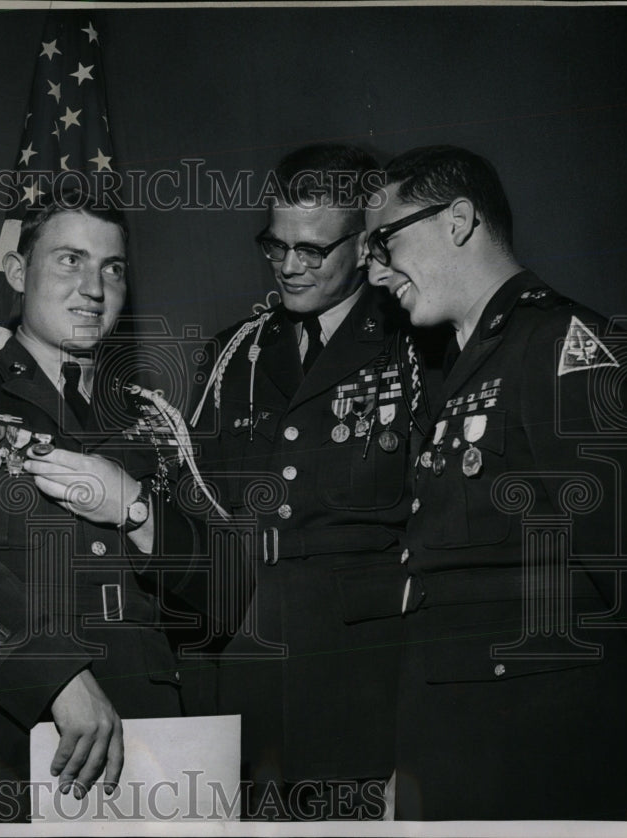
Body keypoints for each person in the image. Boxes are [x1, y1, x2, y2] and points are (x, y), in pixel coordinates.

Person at [0, 191, 202, 822]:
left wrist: (136, 509)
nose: (94, 287)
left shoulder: (154, 420)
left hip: (147, 748)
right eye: (70, 260)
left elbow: (218, 588)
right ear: (19, 272)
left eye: (112, 267)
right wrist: (52, 674)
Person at [365, 144, 627, 820]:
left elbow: (626, 561)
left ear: (457, 220)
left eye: (384, 241)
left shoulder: (557, 345)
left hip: (541, 755)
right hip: (458, 744)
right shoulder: (461, 369)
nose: (374, 272)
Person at [188, 144, 438, 820]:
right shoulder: (233, 355)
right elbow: (197, 517)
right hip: (249, 667)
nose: (289, 267)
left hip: (365, 682)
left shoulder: (416, 344)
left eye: (313, 250)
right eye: (276, 246)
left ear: (362, 246)